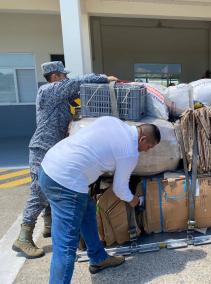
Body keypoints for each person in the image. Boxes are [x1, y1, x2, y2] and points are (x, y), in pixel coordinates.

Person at [12, 61, 118, 259]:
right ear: (54, 77)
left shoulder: (60, 96)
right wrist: (103, 78)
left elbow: (79, 94)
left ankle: (48, 225)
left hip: (54, 149)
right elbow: (76, 83)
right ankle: (24, 237)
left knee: (51, 187)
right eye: (63, 76)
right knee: (39, 191)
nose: (66, 78)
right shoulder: (47, 91)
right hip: (42, 149)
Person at [39, 116, 160, 283]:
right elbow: (120, 189)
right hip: (67, 184)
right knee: (65, 246)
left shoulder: (112, 121)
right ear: (143, 138)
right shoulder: (130, 152)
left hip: (49, 167)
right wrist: (134, 200)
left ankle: (98, 258)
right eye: (149, 146)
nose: (146, 150)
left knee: (88, 211)